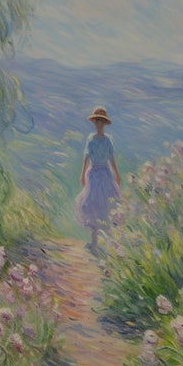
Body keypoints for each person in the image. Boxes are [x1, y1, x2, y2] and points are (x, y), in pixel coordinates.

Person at [77, 106, 122, 255]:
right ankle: (95, 242)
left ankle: (106, 243)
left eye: (101, 121)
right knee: (92, 205)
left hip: (105, 174)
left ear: (104, 123)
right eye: (97, 121)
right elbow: (86, 158)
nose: (99, 124)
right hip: (94, 174)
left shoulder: (108, 140)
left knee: (107, 206)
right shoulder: (91, 139)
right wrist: (82, 174)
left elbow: (112, 158)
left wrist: (116, 173)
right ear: (94, 123)